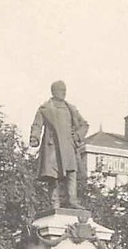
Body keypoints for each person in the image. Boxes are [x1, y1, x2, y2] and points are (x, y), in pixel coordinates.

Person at [30, 80, 89, 210]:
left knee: (71, 173)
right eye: (60, 90)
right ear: (53, 91)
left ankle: (72, 200)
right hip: (52, 147)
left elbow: (84, 124)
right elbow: (37, 124)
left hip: (68, 145)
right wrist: (35, 137)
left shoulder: (71, 109)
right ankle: (54, 202)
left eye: (64, 90)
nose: (63, 93)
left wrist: (78, 135)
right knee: (53, 176)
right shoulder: (45, 108)